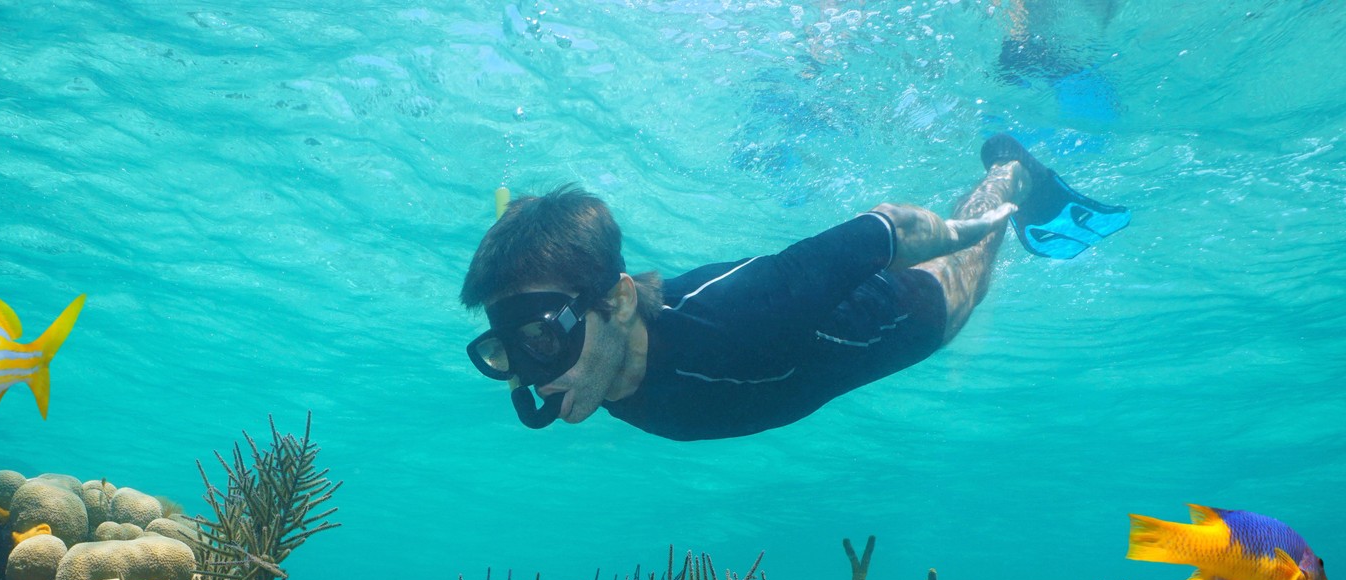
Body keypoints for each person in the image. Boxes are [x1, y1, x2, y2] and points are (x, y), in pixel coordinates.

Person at [461, 134, 1124, 437]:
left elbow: (883, 230)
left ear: (620, 300)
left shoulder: (739, 314)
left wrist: (968, 229)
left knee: (966, 283)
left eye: (543, 340)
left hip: (900, 316)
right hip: (802, 345)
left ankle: (1013, 172)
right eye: (502, 353)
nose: (526, 377)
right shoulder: (591, 368)